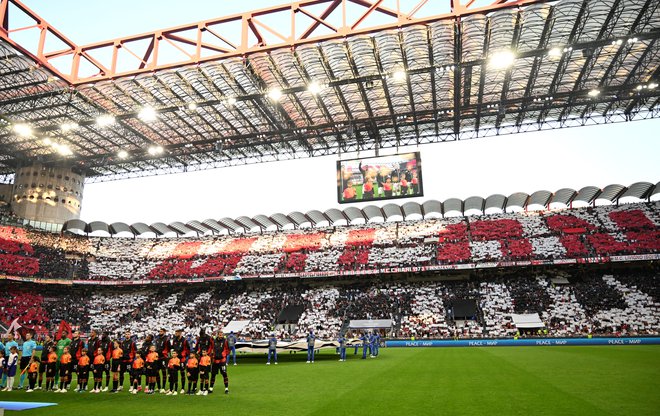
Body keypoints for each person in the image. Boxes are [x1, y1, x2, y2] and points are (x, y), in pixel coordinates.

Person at [171, 329, 190, 394]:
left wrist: (183, 355)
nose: (175, 334)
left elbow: (188, 349)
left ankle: (182, 388)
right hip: (175, 359)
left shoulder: (184, 340)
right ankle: (173, 388)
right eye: (175, 333)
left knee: (182, 373)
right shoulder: (174, 340)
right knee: (174, 373)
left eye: (176, 333)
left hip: (182, 359)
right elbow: (173, 348)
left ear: (180, 333)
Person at [211, 329, 230, 394]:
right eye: (219, 333)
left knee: (224, 374)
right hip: (215, 360)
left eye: (222, 333)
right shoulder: (214, 341)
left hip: (222, 360)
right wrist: (213, 355)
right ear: (218, 334)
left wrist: (224, 355)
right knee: (213, 374)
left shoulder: (225, 341)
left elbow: (228, 349)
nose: (221, 335)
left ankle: (226, 388)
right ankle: (211, 388)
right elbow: (212, 348)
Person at [154, 328, 170, 393]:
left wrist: (164, 353)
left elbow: (168, 349)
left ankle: (163, 387)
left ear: (164, 332)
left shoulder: (167, 339)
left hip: (163, 357)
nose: (160, 332)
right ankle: (159, 387)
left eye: (161, 331)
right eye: (159, 331)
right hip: (157, 358)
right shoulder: (157, 339)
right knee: (157, 372)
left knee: (163, 372)